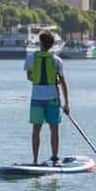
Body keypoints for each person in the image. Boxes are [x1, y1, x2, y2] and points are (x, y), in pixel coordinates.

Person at [24, 31, 70, 165]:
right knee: (54, 129)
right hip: (53, 99)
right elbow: (63, 82)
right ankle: (55, 157)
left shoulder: (31, 58)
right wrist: (67, 104)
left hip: (37, 99)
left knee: (36, 130)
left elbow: (29, 77)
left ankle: (35, 160)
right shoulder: (57, 60)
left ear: (42, 44)